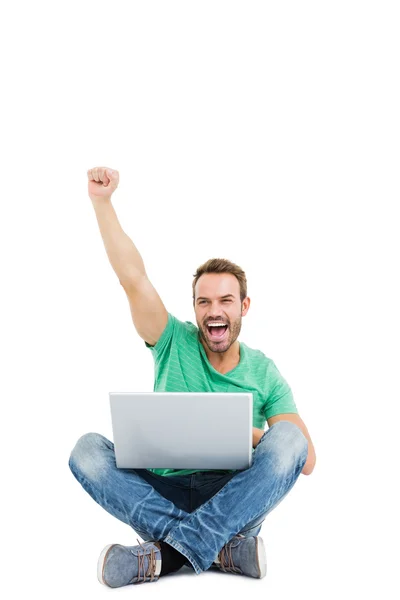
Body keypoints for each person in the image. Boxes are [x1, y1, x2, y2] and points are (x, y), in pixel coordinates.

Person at [69, 166, 317, 588]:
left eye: (225, 300)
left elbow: (304, 459)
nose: (214, 310)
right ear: (196, 308)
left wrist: (247, 433)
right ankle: (222, 550)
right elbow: (134, 279)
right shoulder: (172, 340)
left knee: (291, 438)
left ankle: (162, 556)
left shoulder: (265, 371)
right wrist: (103, 203)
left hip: (232, 497)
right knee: (87, 450)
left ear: (244, 307)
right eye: (204, 301)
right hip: (160, 489)